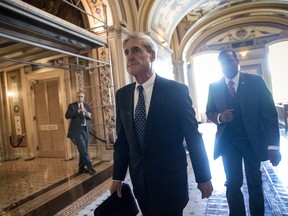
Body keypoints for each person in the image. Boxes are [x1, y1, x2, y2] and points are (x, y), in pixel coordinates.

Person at [109, 32, 213, 216]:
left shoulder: (175, 91)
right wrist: (117, 176)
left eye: (136, 50)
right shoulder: (122, 95)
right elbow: (123, 141)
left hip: (170, 181)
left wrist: (203, 176)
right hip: (140, 182)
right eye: (126, 52)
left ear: (152, 55)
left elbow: (192, 136)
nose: (130, 56)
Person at [206, 49, 281, 216]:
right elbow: (209, 111)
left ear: (237, 62)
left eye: (230, 61)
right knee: (232, 183)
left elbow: (269, 114)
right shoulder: (214, 86)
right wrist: (220, 116)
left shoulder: (256, 82)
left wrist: (273, 147)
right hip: (228, 143)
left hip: (252, 141)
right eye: (223, 62)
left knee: (254, 182)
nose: (227, 65)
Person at [65, 90, 96, 175]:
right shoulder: (72, 106)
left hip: (85, 130)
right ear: (76, 97)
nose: (80, 98)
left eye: (81, 97)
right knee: (83, 149)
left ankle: (81, 168)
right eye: (78, 96)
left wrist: (88, 115)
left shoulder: (86, 106)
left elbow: (90, 117)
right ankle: (90, 168)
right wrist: (78, 111)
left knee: (83, 149)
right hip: (76, 131)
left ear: (84, 97)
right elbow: (67, 116)